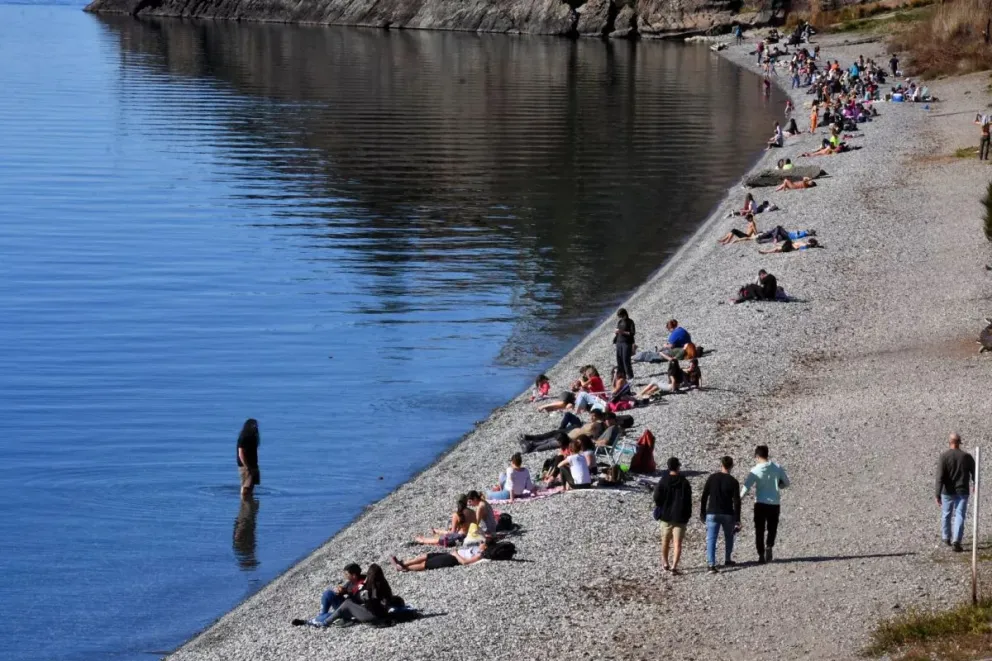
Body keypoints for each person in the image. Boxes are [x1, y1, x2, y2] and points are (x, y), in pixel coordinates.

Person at [740, 445, 790, 563]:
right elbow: (787, 483)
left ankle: (761, 554)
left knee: (759, 530)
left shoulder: (755, 470)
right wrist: (779, 485)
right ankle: (769, 545)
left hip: (760, 503)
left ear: (757, 456)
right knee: (772, 528)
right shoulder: (777, 467)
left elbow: (746, 487)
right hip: (774, 503)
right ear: (767, 454)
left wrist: (738, 499)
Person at [700, 457, 741, 573]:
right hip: (728, 513)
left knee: (711, 539)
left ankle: (711, 564)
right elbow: (737, 501)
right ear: (732, 466)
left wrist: (702, 513)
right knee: (729, 536)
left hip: (712, 512)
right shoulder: (733, 481)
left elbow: (704, 496)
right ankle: (727, 559)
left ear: (721, 464)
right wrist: (737, 519)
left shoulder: (712, 478)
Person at [936, 433, 976, 552]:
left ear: (949, 442)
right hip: (962, 490)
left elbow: (940, 477)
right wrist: (975, 484)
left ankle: (946, 536)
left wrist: (937, 494)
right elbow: (975, 472)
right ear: (959, 442)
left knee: (946, 514)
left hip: (947, 491)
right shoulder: (966, 457)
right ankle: (956, 541)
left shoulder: (944, 457)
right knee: (960, 515)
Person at [654, 457, 692, 574]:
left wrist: (661, 505)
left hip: (666, 516)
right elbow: (688, 500)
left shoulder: (664, 480)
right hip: (680, 517)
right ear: (678, 467)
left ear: (668, 467)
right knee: (677, 543)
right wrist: (688, 515)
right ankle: (674, 566)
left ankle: (665, 563)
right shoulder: (684, 482)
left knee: (665, 541)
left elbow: (656, 497)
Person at [391, 542, 489, 572]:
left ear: (485, 547)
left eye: (482, 543)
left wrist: (455, 554)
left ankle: (403, 568)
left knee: (425, 564)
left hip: (453, 559)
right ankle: (402, 563)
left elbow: (465, 563)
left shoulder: (480, 555)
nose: (480, 543)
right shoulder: (478, 549)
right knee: (425, 556)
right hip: (452, 554)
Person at [236, 418, 260, 501]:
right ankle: (244, 503)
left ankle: (250, 502)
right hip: (245, 465)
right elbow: (241, 453)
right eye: (253, 425)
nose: (256, 427)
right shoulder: (244, 437)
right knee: (246, 485)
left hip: (253, 464)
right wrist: (247, 466)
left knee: (252, 484)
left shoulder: (253, 437)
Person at [614, 308, 636, 380]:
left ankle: (630, 376)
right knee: (619, 360)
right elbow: (618, 331)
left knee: (626, 360)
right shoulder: (620, 322)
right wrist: (617, 333)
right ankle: (622, 376)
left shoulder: (630, 322)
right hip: (619, 342)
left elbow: (632, 333)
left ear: (624, 314)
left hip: (627, 343)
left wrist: (621, 332)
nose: (620, 317)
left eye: (621, 316)